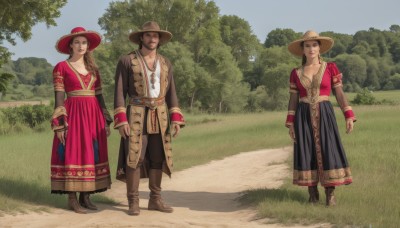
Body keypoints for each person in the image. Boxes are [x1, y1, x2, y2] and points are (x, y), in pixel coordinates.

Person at [113, 21, 185, 216]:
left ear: (159, 39)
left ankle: (155, 199)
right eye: (148, 35)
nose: (152, 39)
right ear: (141, 38)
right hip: (136, 112)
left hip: (160, 115)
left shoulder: (165, 62)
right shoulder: (127, 61)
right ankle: (133, 202)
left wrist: (176, 118)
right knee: (134, 157)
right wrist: (121, 120)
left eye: (155, 36)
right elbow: (119, 91)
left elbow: (171, 93)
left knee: (157, 157)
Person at [286, 30, 356, 206]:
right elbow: (293, 99)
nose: (311, 49)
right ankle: (312, 194)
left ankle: (330, 194)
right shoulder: (296, 73)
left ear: (320, 48)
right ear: (302, 49)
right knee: (307, 150)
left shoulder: (330, 68)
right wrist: (291, 123)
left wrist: (348, 114)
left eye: (314, 45)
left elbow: (339, 93)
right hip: (303, 115)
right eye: (307, 45)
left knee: (328, 150)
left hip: (325, 113)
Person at [50, 27, 112, 213]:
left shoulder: (94, 69)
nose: (80, 45)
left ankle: (86, 197)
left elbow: (100, 97)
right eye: (76, 42)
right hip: (74, 113)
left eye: (84, 42)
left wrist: (106, 120)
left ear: (88, 46)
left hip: (93, 114)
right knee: (74, 151)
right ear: (70, 45)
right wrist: (59, 124)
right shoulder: (61, 67)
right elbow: (59, 96)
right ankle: (72, 198)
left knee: (92, 152)